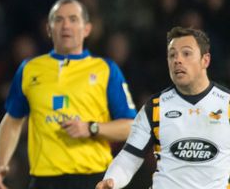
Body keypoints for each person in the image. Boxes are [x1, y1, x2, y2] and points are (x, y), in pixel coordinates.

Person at [0, 0, 137, 189]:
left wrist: (91, 128)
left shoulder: (106, 69)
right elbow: (12, 120)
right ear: (48, 29)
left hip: (93, 179)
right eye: (58, 19)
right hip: (44, 180)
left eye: (73, 19)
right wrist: (0, 163)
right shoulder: (29, 69)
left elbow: (130, 127)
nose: (65, 25)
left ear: (87, 29)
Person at [95, 27, 230, 189]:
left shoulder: (226, 104)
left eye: (186, 53)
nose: (177, 60)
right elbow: (130, 156)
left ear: (205, 60)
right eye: (172, 55)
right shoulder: (155, 107)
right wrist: (111, 180)